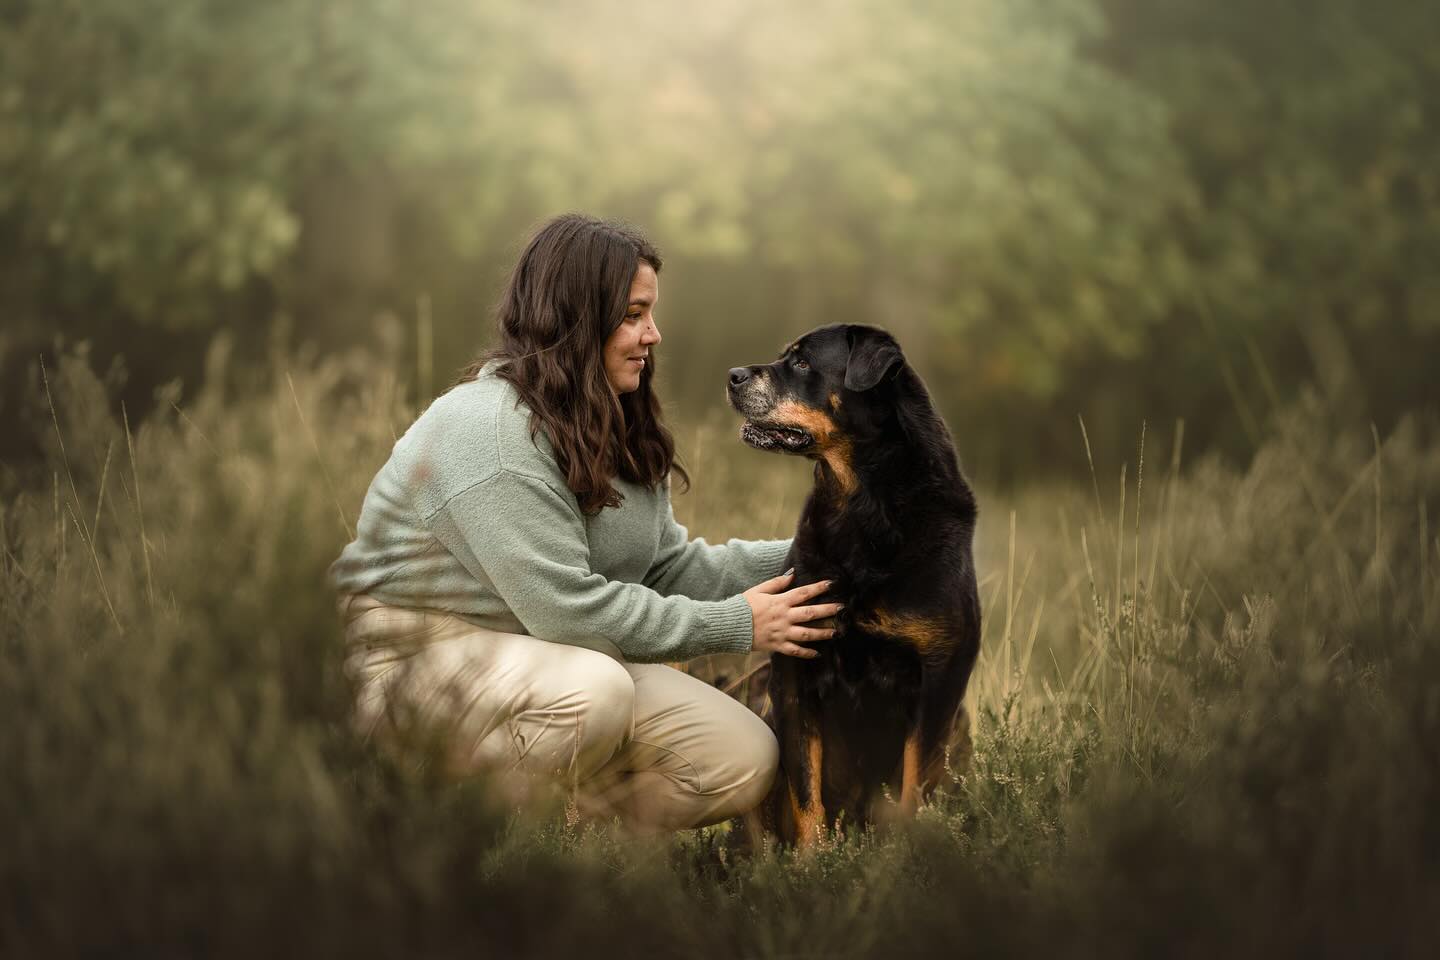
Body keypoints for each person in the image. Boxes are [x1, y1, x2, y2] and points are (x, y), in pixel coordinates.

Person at [330, 213, 842, 831]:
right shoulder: (491, 433)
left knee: (742, 759)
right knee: (597, 694)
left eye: (650, 313)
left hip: (545, 662)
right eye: (632, 314)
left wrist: (830, 549)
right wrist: (738, 624)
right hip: (409, 659)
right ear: (572, 318)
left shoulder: (613, 420)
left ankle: (568, 837)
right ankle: (430, 829)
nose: (652, 334)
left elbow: (666, 568)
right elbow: (567, 613)